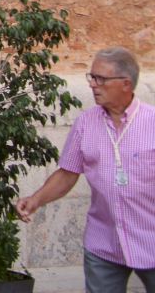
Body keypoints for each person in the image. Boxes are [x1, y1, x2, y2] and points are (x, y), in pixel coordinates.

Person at [16, 46, 155, 292]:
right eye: (91, 77)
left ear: (126, 84)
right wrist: (35, 199)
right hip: (104, 244)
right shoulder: (85, 123)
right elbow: (67, 173)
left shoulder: (151, 122)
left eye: (101, 79)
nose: (92, 84)